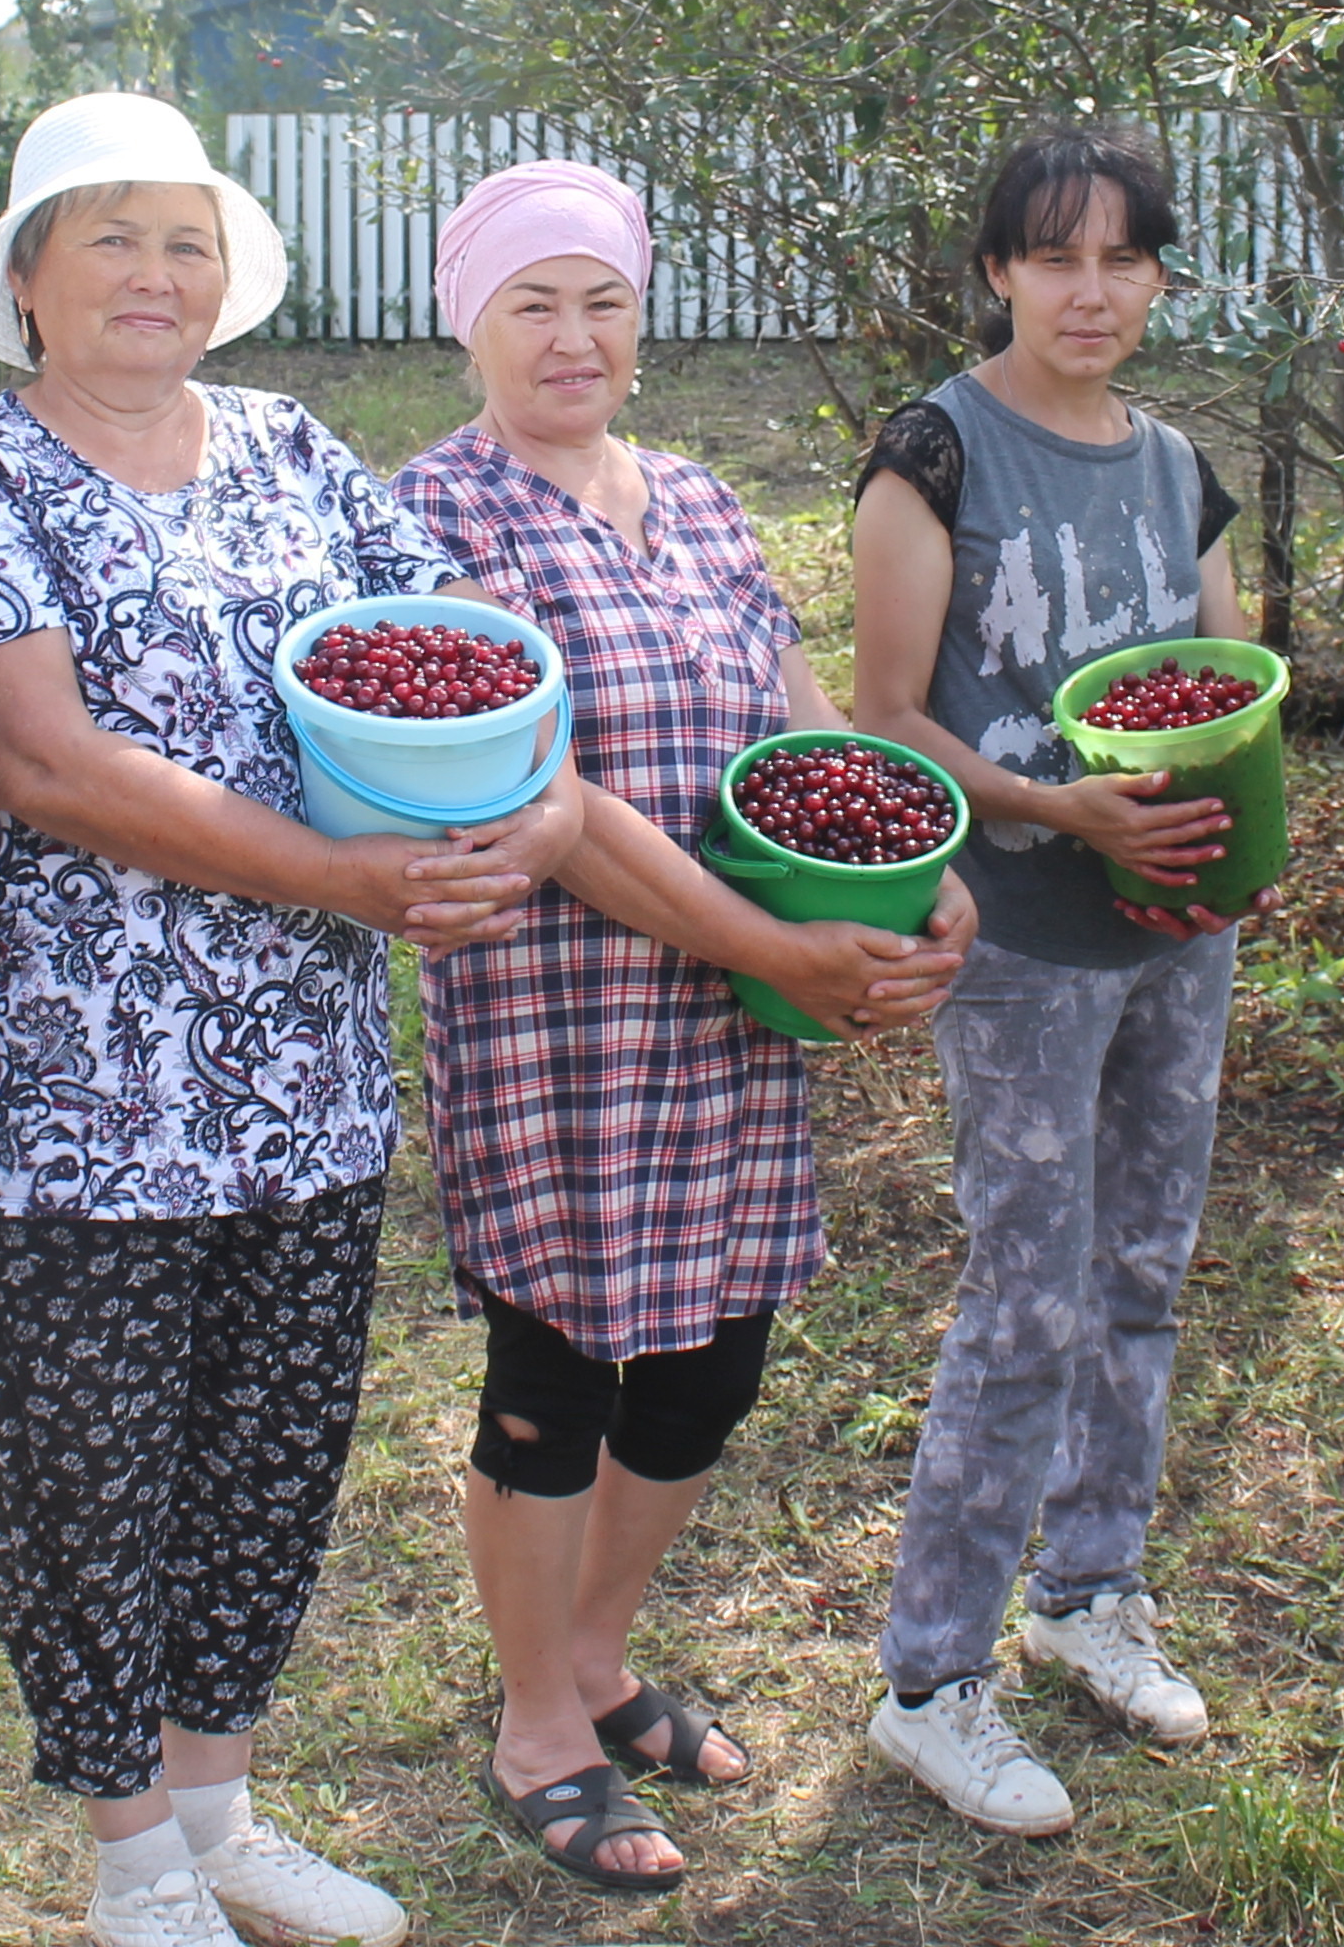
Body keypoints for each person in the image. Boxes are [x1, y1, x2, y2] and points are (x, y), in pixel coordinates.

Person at [0, 93, 588, 1947]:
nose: (152, 273)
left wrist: (483, 816)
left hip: (309, 1076)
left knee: (271, 1447)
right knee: (90, 1470)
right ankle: (129, 1865)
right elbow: (37, 761)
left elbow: (416, 671)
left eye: (185, 240)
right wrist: (351, 881)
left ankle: (219, 1809)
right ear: (26, 276)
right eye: (108, 235)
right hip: (80, 1079)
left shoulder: (288, 448)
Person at [392, 160, 976, 1894]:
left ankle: (595, 1648)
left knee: (715, 1348)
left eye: (604, 302)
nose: (574, 339)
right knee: (558, 1365)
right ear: (469, 323)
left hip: (729, 1016)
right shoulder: (429, 521)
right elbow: (537, 796)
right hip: (553, 1012)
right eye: (532, 305)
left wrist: (918, 872)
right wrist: (779, 948)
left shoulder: (706, 502)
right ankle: (535, 1724)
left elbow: (803, 734)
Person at [846, 121, 1266, 1838]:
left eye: (1123, 259)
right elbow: (886, 712)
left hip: (1176, 931)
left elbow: (1224, 683)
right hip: (1021, 934)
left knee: (1148, 1261)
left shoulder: (1178, 465)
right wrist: (1051, 807)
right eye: (1053, 257)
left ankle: (1093, 1589)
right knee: (1030, 1287)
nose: (1090, 292)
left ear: (1159, 275)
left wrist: (1216, 847)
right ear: (1000, 272)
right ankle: (932, 1680)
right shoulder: (936, 454)